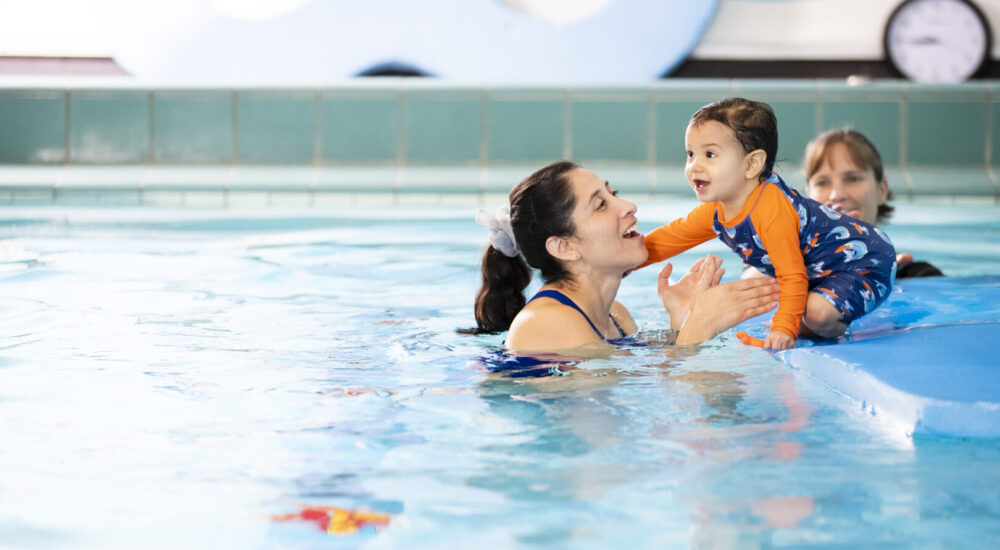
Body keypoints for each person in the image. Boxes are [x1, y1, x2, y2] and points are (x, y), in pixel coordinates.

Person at [633, 98, 896, 350]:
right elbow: (668, 238)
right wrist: (624, 264)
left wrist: (784, 328)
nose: (694, 166)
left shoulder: (772, 210)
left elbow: (792, 276)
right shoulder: (716, 211)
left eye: (709, 154)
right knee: (780, 290)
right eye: (690, 154)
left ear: (752, 164)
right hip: (821, 269)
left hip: (865, 261)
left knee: (816, 313)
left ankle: (826, 325)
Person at [472, 160, 781, 351]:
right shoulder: (545, 324)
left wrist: (682, 321)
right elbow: (601, 423)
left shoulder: (616, 315)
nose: (628, 206)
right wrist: (700, 326)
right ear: (564, 247)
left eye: (613, 194)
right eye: (601, 205)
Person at [802, 127, 943, 278]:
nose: (837, 195)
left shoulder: (917, 276)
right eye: (822, 182)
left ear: (882, 190)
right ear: (807, 197)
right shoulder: (785, 278)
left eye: (853, 179)